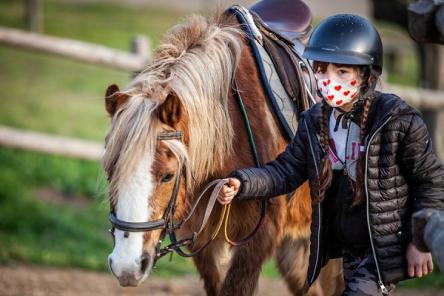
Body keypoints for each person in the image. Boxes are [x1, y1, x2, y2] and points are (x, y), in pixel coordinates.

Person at [217, 14, 444, 296]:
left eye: (342, 72)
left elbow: (430, 182)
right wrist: (243, 182)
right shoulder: (315, 121)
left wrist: (420, 242)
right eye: (322, 71)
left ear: (365, 75)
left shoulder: (399, 121)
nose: (328, 80)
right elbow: (285, 172)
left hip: (384, 244)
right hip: (347, 245)